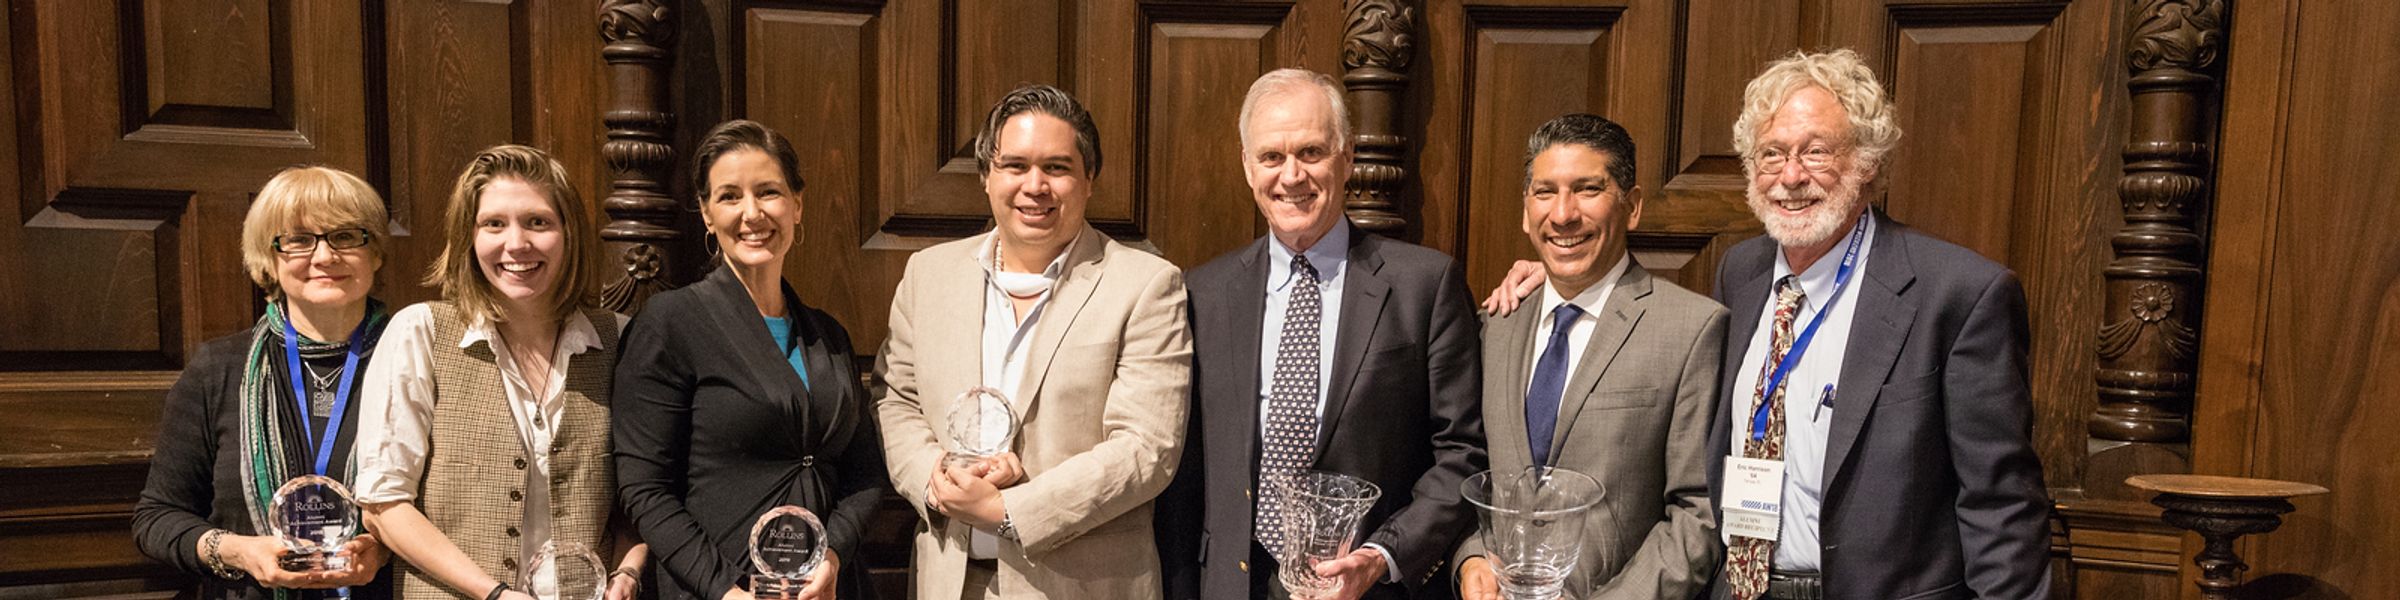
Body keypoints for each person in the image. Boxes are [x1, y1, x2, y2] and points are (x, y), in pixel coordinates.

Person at [1485, 49, 2052, 599]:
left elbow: (2002, 504)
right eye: (1772, 154)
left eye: (1817, 152)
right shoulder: (1745, 272)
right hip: (1738, 586)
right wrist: (1562, 279)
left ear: (1868, 162)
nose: (1791, 176)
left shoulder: (1957, 293)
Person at [1158, 67, 1485, 600]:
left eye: (1311, 152)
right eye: (1271, 157)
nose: (1291, 176)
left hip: (1368, 589)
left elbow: (1462, 453)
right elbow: (1182, 476)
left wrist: (1382, 557)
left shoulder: (1424, 286)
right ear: (1247, 166)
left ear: (1348, 156)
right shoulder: (1202, 292)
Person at [874, 84, 1192, 600]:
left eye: (1058, 167)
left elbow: (1145, 448)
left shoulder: (1146, 285)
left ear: (1089, 179)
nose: (1035, 185)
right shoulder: (927, 275)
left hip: (1084, 585)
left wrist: (1009, 511)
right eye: (1015, 165)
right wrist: (935, 479)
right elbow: (895, 398)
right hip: (948, 581)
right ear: (986, 176)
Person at [354, 145, 648, 600]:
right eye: (494, 224)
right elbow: (383, 505)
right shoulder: (421, 332)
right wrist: (494, 594)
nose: (516, 244)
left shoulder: (622, 339)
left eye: (538, 222)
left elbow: (648, 494)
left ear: (568, 233)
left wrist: (628, 572)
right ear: (468, 237)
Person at [1450, 114, 1725, 600]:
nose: (1562, 214)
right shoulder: (1494, 324)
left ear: (1632, 206)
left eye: (1587, 189)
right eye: (1544, 191)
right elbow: (1473, 474)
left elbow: (1697, 513)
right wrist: (1471, 556)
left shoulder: (1692, 329)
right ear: (1524, 209)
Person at [615, 119, 887, 600]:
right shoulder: (670, 324)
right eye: (729, 196)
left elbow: (865, 475)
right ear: (705, 212)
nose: (752, 213)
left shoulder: (830, 335)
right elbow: (645, 490)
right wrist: (727, 593)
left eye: (769, 192)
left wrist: (833, 553)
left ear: (797, 205)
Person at [133, 166, 399, 599]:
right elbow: (156, 517)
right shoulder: (217, 368)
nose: (325, 256)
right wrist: (239, 551)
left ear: (376, 253)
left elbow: (457, 507)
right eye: (298, 240)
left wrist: (385, 549)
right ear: (268, 259)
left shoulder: (419, 362)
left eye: (346, 236)